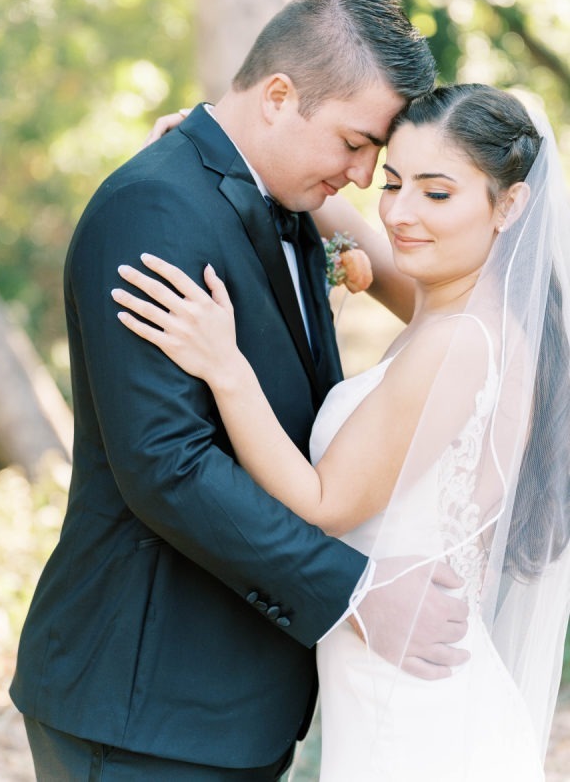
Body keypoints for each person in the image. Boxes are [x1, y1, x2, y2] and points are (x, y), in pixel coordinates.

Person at [9, 0, 471, 781]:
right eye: (356, 143)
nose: (364, 178)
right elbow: (169, 467)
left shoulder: (287, 201)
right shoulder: (157, 207)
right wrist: (359, 593)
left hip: (236, 709)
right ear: (279, 96)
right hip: (145, 709)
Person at [112, 84, 570, 781]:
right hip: (391, 688)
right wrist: (222, 140)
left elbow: (323, 502)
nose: (402, 213)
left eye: (437, 193)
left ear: (509, 206)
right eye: (392, 182)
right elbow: (353, 232)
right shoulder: (456, 306)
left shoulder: (460, 344)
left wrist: (224, 366)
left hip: (420, 718)